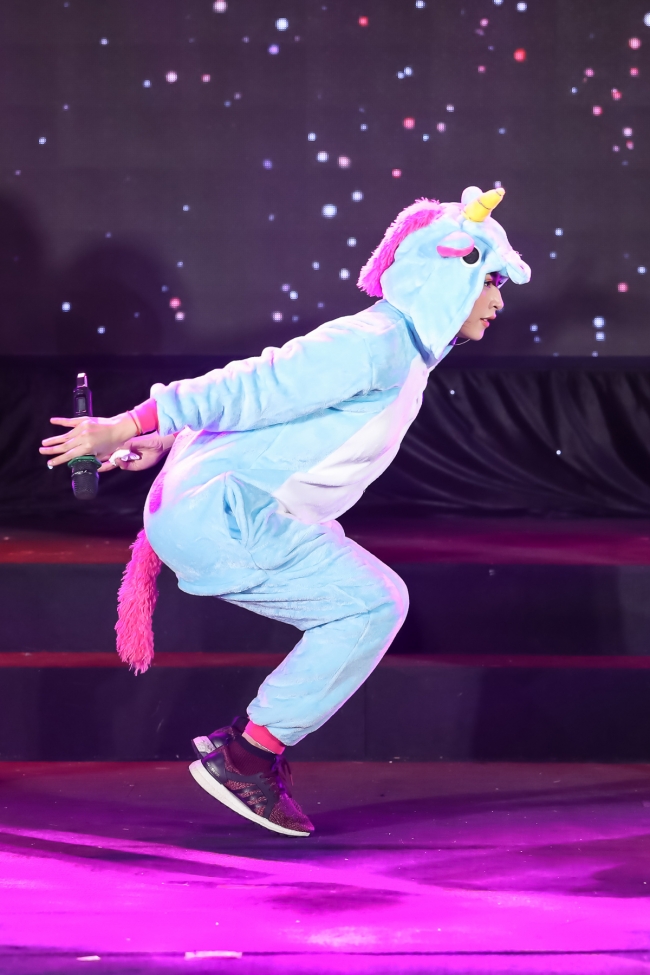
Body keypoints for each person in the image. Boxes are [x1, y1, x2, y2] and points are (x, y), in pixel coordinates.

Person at [40, 186, 530, 838]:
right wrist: (131, 423)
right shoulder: (375, 342)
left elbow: (271, 416)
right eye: (489, 281)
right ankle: (246, 759)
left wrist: (156, 440)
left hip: (221, 504)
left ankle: (248, 749)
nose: (498, 301)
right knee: (372, 604)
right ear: (445, 275)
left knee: (365, 595)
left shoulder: (400, 348)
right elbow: (252, 384)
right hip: (221, 518)